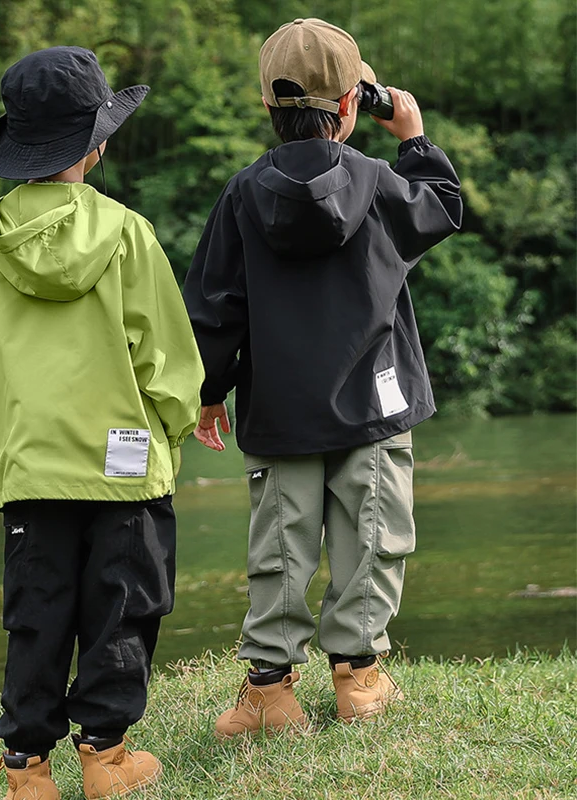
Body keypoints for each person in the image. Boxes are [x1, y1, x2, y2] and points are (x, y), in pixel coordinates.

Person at [0, 46, 203, 800]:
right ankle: (106, 756)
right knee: (123, 610)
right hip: (124, 468)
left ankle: (28, 770)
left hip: (32, 470)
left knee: (38, 617)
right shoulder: (129, 234)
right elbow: (167, 354)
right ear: (94, 147)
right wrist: (177, 422)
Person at [183, 18, 462, 737]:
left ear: (267, 108)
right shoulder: (377, 180)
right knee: (372, 532)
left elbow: (213, 308)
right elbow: (442, 210)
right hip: (375, 397)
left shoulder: (241, 194)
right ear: (348, 107)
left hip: (280, 405)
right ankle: (359, 680)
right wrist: (414, 138)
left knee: (280, 542)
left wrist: (210, 392)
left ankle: (270, 695)